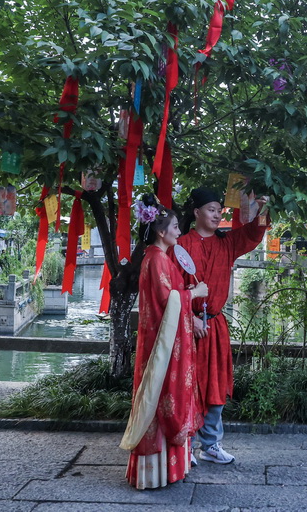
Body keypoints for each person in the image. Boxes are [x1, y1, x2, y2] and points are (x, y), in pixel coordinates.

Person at [120, 195, 208, 490]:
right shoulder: (156, 259)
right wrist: (193, 295)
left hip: (163, 342)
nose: (178, 232)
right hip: (164, 346)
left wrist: (187, 291)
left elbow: (170, 296)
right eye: (174, 227)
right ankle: (158, 471)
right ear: (161, 231)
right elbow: (167, 301)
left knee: (161, 398)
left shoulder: (158, 258)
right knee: (161, 399)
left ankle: (168, 469)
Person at [176, 186, 269, 465]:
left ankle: (211, 445)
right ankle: (186, 446)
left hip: (214, 326)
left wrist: (263, 209)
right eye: (211, 210)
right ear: (196, 213)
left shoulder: (226, 243)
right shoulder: (181, 245)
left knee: (215, 386)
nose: (217, 215)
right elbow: (170, 288)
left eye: (219, 210)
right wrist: (190, 319)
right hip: (187, 326)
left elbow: (253, 233)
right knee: (188, 386)